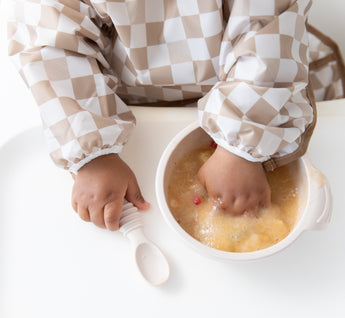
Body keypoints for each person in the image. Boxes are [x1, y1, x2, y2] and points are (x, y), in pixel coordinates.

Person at [7, 0, 345, 231]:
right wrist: (92, 153)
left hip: (245, 87)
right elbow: (52, 43)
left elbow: (268, 36)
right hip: (122, 94)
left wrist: (240, 145)